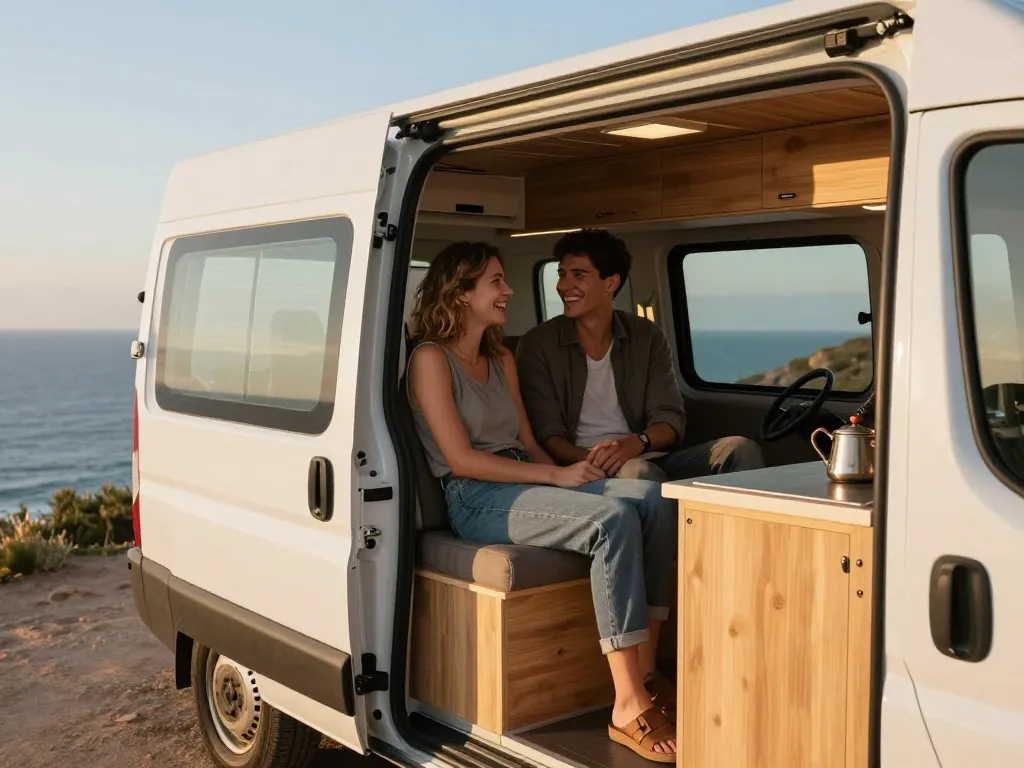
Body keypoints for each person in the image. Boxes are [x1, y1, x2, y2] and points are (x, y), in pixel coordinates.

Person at [406, 241, 678, 763]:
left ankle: (643, 669)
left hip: (523, 477)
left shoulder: (501, 356)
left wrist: (567, 475)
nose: (509, 291)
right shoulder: (429, 360)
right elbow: (461, 460)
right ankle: (626, 705)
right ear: (461, 294)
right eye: (496, 282)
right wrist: (554, 474)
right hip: (476, 496)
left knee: (651, 497)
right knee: (613, 519)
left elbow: (529, 442)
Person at [515, 228, 764, 483]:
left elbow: (669, 419)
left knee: (740, 449)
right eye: (562, 274)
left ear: (610, 283)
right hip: (582, 464)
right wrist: (599, 462)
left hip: (647, 455)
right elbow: (547, 436)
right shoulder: (538, 343)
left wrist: (637, 443)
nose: (563, 285)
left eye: (578, 274)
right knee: (640, 474)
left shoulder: (646, 336)